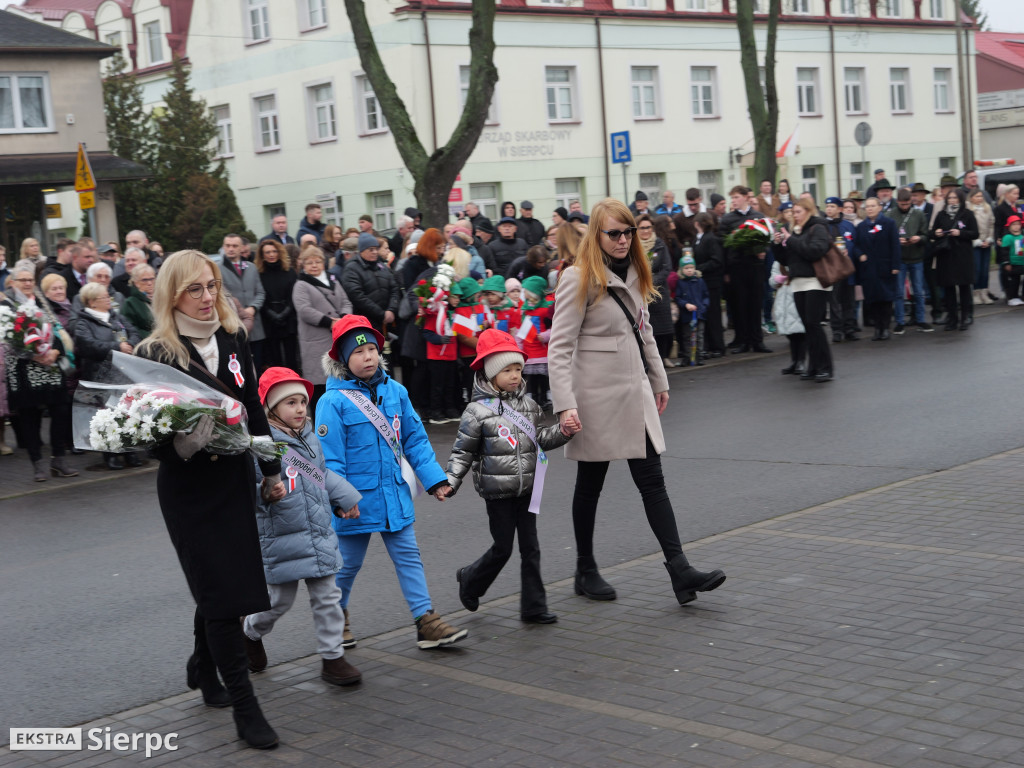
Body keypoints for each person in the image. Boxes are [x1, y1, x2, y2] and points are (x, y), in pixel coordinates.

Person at [135, 250, 283, 750]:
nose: (207, 297)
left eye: (213, 286)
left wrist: (272, 468)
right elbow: (148, 436)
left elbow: (254, 406)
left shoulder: (234, 337)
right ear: (172, 294)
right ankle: (246, 708)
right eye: (194, 289)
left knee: (224, 583)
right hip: (189, 491)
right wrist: (187, 439)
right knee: (221, 593)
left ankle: (202, 666)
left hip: (233, 483)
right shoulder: (156, 352)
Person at [547, 198, 726, 606]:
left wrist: (659, 380)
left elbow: (642, 331)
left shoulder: (634, 270)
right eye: (615, 233)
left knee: (653, 481)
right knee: (590, 485)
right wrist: (565, 405)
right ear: (597, 234)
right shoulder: (578, 277)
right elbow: (559, 348)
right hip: (593, 395)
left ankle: (680, 570)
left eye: (628, 232)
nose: (624, 239)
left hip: (634, 391)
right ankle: (586, 568)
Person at [315, 315, 467, 649]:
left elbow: (414, 439)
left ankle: (424, 620)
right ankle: (336, 617)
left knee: (409, 557)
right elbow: (331, 460)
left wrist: (434, 480)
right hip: (356, 502)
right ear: (342, 358)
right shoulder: (332, 402)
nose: (368, 356)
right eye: (358, 352)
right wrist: (341, 501)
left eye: (372, 349)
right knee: (348, 565)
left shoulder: (396, 391)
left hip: (393, 495)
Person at [242, 367, 363, 686]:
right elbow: (246, 490)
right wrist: (265, 492)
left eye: (302, 402)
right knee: (279, 601)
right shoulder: (260, 445)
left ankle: (332, 658)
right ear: (270, 408)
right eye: (290, 402)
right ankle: (250, 633)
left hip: (318, 533)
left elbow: (321, 474)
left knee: (327, 597)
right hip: (282, 538)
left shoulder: (309, 436)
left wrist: (345, 497)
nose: (300, 409)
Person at [446, 329, 572, 624]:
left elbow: (541, 438)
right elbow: (462, 452)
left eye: (518, 369)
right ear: (491, 374)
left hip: (527, 487)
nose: (515, 375)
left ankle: (534, 607)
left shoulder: (529, 405)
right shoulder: (476, 412)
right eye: (507, 370)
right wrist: (449, 482)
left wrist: (563, 432)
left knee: (531, 548)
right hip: (497, 491)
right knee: (503, 548)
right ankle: (470, 579)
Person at [3, 267, 76, 479]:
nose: (27, 283)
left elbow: (55, 330)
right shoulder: (6, 305)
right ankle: (38, 463)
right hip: (23, 367)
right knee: (29, 415)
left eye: (30, 280)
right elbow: (7, 337)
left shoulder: (41, 302)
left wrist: (54, 351)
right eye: (22, 280)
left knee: (61, 407)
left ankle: (58, 459)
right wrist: (33, 355)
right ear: (13, 282)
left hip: (50, 364)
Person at [72, 282, 143, 469]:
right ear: (92, 302)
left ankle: (129, 451)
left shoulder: (116, 317)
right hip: (99, 376)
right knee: (106, 416)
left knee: (127, 413)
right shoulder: (83, 323)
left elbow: (134, 332)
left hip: (122, 374)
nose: (109, 300)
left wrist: (129, 345)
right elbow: (87, 345)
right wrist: (116, 348)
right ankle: (110, 454)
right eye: (104, 297)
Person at [772, 199, 834, 382]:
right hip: (798, 281)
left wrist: (791, 240)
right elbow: (786, 260)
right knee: (807, 325)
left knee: (814, 324)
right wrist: (776, 245)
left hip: (815, 281)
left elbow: (815, 251)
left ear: (808, 211)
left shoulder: (818, 227)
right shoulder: (793, 230)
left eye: (798, 211)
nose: (794, 215)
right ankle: (813, 366)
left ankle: (826, 367)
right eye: (793, 212)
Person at [293, 244, 351, 410]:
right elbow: (304, 310)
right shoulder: (301, 285)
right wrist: (330, 322)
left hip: (337, 337)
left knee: (340, 383)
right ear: (303, 265)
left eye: (317, 261)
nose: (314, 265)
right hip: (316, 342)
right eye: (309, 262)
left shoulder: (332, 279)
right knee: (320, 388)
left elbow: (346, 302)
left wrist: (343, 318)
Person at [930, 189, 978, 331]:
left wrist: (960, 233)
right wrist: (937, 233)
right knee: (949, 289)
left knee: (964, 288)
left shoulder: (967, 214)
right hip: (946, 256)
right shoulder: (941, 214)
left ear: (960, 199)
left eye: (955, 198)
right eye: (949, 198)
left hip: (963, 256)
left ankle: (965, 318)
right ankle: (952, 319)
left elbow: (975, 233)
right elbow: (931, 232)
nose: (952, 200)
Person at [854, 198, 902, 340]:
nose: (869, 209)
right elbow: (856, 245)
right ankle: (877, 329)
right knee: (873, 299)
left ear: (879, 207)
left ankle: (885, 328)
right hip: (869, 268)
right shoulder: (862, 226)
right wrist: (860, 254)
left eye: (872, 206)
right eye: (867, 206)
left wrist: (895, 266)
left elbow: (895, 245)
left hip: (885, 267)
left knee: (886, 298)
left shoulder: (889, 224)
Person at [885, 188, 930, 333]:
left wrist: (919, 238)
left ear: (911, 201)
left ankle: (921, 319)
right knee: (898, 292)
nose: (905, 207)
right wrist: (897, 241)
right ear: (897, 202)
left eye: (908, 204)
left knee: (918, 291)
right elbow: (887, 236)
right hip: (900, 259)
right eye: (903, 204)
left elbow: (925, 234)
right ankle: (900, 322)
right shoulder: (890, 215)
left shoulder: (918, 214)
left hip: (916, 257)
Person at [221, 233, 266, 369]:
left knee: (258, 366)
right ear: (224, 247)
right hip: (234, 326)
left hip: (256, 326)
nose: (231, 249)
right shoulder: (217, 269)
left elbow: (260, 292)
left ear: (241, 248)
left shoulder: (251, 267)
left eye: (235, 246)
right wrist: (240, 312)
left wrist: (253, 307)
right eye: (228, 245)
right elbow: (221, 296)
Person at [341, 232, 400, 335]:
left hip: (387, 322)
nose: (375, 252)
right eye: (371, 249)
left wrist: (391, 309)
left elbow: (394, 287)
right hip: (366, 323)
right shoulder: (351, 269)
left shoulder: (381, 266)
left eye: (376, 249)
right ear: (362, 251)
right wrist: (381, 314)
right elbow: (357, 296)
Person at [636, 213, 675, 367]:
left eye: (648, 227)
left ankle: (664, 356)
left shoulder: (659, 244)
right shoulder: (635, 246)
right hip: (641, 292)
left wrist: (652, 282)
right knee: (647, 327)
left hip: (659, 291)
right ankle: (651, 359)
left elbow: (667, 267)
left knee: (665, 327)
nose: (646, 231)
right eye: (642, 228)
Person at [255, 240, 300, 373]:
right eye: (267, 252)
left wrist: (285, 313)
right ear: (262, 255)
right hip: (269, 320)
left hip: (288, 317)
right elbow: (259, 295)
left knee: (292, 358)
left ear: (279, 252)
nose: (271, 255)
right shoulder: (259, 274)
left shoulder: (289, 271)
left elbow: (294, 295)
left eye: (274, 251)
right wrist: (271, 314)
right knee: (275, 359)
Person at [691, 212, 726, 357]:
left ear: (697, 224)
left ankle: (718, 347)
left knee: (714, 315)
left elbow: (717, 260)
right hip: (702, 283)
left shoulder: (711, 239)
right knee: (706, 315)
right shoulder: (698, 239)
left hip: (711, 283)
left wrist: (699, 268)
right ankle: (708, 346)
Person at [672, 255, 709, 365]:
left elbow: (706, 295)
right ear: (681, 270)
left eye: (691, 268)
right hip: (687, 315)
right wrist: (686, 304)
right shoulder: (681, 282)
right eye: (686, 268)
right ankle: (688, 356)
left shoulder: (700, 281)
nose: (689, 270)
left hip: (699, 314)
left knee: (699, 336)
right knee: (687, 336)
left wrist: (704, 306)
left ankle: (699, 356)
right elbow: (678, 298)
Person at [968, 189, 995, 306]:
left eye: (981, 196)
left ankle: (984, 292)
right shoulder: (969, 209)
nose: (980, 198)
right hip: (975, 243)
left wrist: (989, 238)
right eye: (977, 196)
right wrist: (977, 241)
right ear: (972, 198)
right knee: (977, 269)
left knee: (985, 269)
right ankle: (976, 293)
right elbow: (968, 228)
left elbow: (991, 224)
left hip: (986, 242)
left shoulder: (987, 208)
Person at [120, 264, 157, 339]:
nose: (149, 283)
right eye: (145, 280)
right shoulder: (130, 303)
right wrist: (154, 336)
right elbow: (130, 329)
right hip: (146, 343)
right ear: (136, 283)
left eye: (152, 279)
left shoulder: (162, 298)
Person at [999, 215, 1024, 305]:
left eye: (1018, 224)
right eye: (1014, 224)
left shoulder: (1022, 236)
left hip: (1022, 262)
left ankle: (1021, 296)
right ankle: (1013, 297)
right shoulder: (1007, 238)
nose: (1016, 226)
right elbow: (1004, 252)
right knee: (1014, 281)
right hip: (1012, 263)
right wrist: (1006, 263)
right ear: (1009, 226)